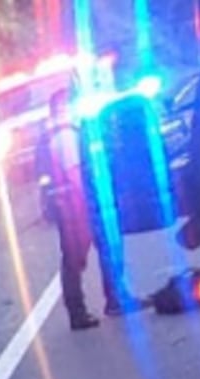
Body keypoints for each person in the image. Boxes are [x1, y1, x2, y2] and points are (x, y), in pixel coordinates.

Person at [39, 90, 134, 330]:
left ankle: (110, 300)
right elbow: (74, 174)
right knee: (78, 259)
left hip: (68, 205)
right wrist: (90, 204)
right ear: (63, 108)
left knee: (90, 253)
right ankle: (87, 310)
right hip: (76, 205)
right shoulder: (66, 135)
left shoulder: (54, 134)